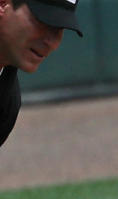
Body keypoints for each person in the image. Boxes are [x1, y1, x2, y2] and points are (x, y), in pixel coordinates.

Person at [0, 0, 82, 148]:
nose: (51, 43)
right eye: (42, 21)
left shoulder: (7, 101)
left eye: (58, 28)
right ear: (2, 4)